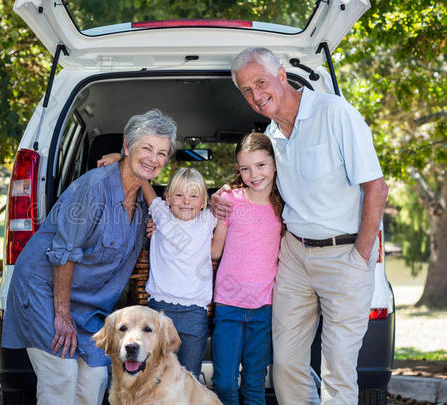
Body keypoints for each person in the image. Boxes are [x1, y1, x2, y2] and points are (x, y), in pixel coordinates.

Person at [210, 48, 389, 404]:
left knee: (338, 367)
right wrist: (223, 194)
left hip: (346, 255)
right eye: (246, 90)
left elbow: (376, 188)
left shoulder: (334, 113)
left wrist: (360, 256)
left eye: (260, 82)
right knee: (286, 365)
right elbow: (258, 181)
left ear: (281, 75)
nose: (256, 95)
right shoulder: (272, 134)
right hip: (294, 254)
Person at [1, 109, 177, 405]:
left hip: (89, 306)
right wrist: (62, 315)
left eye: (161, 153)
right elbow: (65, 253)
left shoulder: (144, 206)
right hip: (45, 291)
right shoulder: (93, 188)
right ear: (127, 147)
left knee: (95, 379)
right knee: (62, 377)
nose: (153, 158)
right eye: (146, 148)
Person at [96, 156, 218, 379]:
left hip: (195, 313)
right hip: (159, 311)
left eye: (193, 196)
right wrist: (123, 159)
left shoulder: (208, 220)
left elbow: (230, 202)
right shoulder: (161, 215)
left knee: (188, 377)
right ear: (168, 198)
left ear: (204, 202)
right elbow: (144, 184)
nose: (186, 201)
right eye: (179, 195)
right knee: (154, 377)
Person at [208, 132, 283, 405]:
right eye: (245, 168)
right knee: (224, 384)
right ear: (238, 170)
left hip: (264, 308)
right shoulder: (231, 200)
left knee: (253, 384)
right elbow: (215, 250)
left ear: (275, 164)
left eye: (261, 165)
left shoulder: (284, 207)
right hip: (228, 305)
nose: (254, 174)